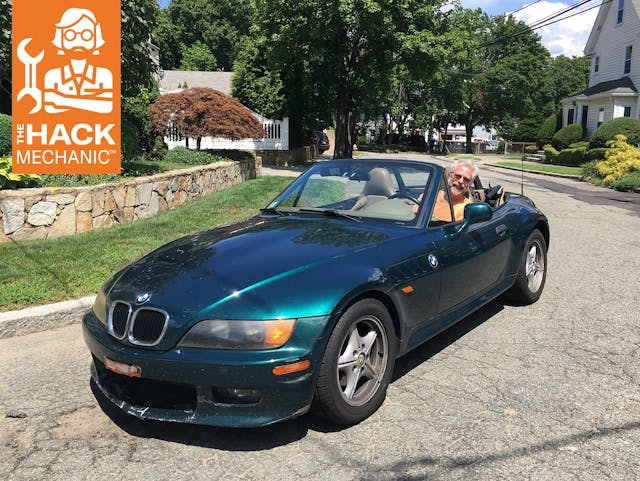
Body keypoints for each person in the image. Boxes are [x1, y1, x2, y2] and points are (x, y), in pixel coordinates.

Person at [43, 8, 113, 114]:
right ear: (60, 38)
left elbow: (106, 106)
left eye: (86, 35)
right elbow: (50, 108)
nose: (78, 42)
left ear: (96, 38)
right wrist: (93, 101)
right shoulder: (52, 75)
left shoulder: (104, 75)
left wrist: (61, 99)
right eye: (70, 35)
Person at [414, 158, 478, 222]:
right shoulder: (429, 196)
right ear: (450, 176)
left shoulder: (467, 208)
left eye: (466, 180)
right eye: (457, 176)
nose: (461, 181)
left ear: (469, 184)